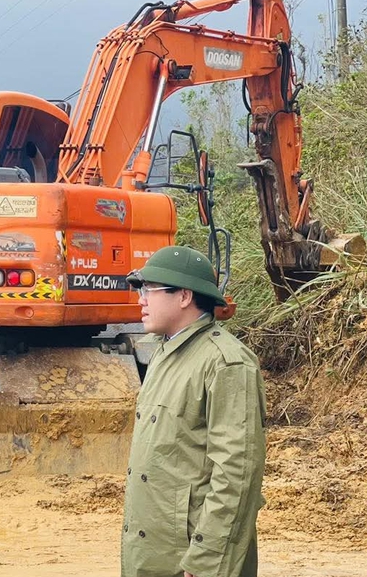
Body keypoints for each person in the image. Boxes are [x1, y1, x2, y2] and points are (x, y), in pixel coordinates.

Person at [121, 246, 266, 577]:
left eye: (149, 290)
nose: (141, 300)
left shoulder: (226, 362)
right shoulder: (165, 354)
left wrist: (207, 557)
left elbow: (237, 471)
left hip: (193, 559)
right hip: (154, 553)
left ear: (184, 296)